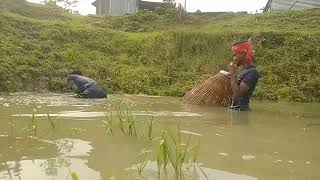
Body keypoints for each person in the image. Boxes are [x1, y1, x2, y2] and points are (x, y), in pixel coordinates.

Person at [227, 40, 260, 111]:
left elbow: (237, 93)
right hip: (235, 112)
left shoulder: (253, 72)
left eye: (235, 55)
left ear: (243, 53)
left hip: (241, 113)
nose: (233, 58)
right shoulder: (243, 71)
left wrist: (232, 74)